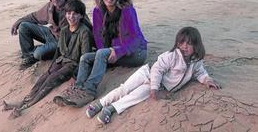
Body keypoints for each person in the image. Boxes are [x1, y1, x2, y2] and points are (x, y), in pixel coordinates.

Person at [85, 27, 221, 124]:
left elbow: (200, 72)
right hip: (147, 73)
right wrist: (154, 88)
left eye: (189, 44)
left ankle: (110, 109)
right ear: (177, 43)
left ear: (196, 45)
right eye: (181, 43)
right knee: (124, 88)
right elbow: (157, 70)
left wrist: (207, 80)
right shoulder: (171, 56)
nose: (184, 47)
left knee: (135, 96)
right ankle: (100, 104)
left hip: (158, 85)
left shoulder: (195, 61)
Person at [54, 0, 147, 107]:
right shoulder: (98, 11)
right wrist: (105, 51)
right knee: (85, 57)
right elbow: (98, 36)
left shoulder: (127, 10)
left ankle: (89, 91)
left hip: (136, 53)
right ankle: (78, 87)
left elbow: (137, 39)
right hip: (112, 50)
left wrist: (117, 51)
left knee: (101, 53)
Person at [3, 0, 93, 118]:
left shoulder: (84, 32)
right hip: (62, 61)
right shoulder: (65, 30)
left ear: (81, 15)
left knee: (51, 80)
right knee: (43, 77)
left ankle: (25, 106)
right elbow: (59, 51)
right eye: (69, 13)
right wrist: (52, 66)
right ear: (65, 14)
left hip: (73, 65)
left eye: (75, 13)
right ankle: (24, 100)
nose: (71, 16)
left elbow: (84, 58)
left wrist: (75, 76)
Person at [11, 0, 92, 69]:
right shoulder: (49, 6)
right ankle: (28, 56)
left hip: (61, 42)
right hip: (50, 33)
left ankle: (36, 53)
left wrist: (95, 47)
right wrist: (17, 22)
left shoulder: (73, 7)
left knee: (39, 54)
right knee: (24, 26)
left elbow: (89, 27)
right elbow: (34, 16)